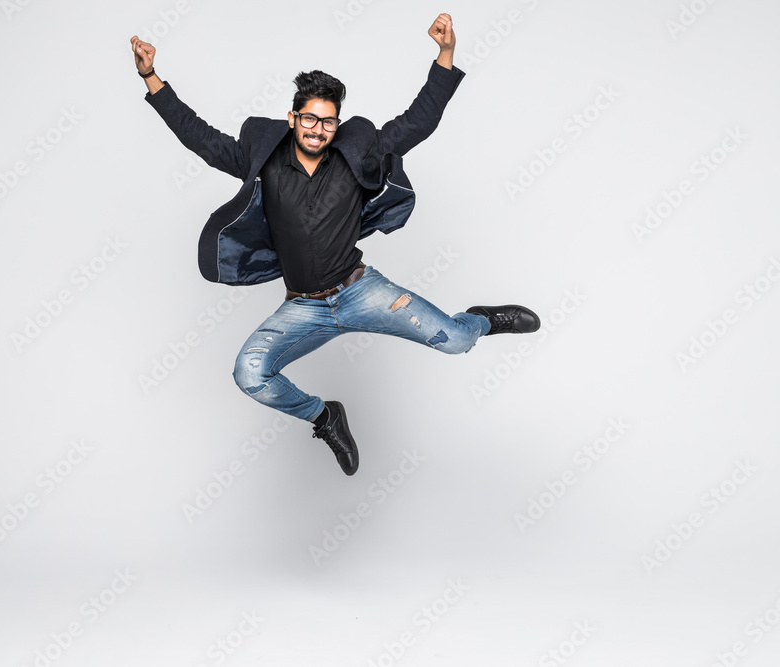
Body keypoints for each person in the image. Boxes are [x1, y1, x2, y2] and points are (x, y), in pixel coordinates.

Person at [131, 13, 539, 476]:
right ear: (292, 118)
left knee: (456, 342)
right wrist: (151, 77)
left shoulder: (356, 155)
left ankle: (483, 320)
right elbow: (199, 138)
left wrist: (444, 56)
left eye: (327, 122)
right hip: (302, 308)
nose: (317, 129)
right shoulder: (263, 158)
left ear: (336, 124)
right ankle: (325, 417)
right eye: (309, 118)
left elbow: (416, 124)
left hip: (362, 292)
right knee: (249, 374)